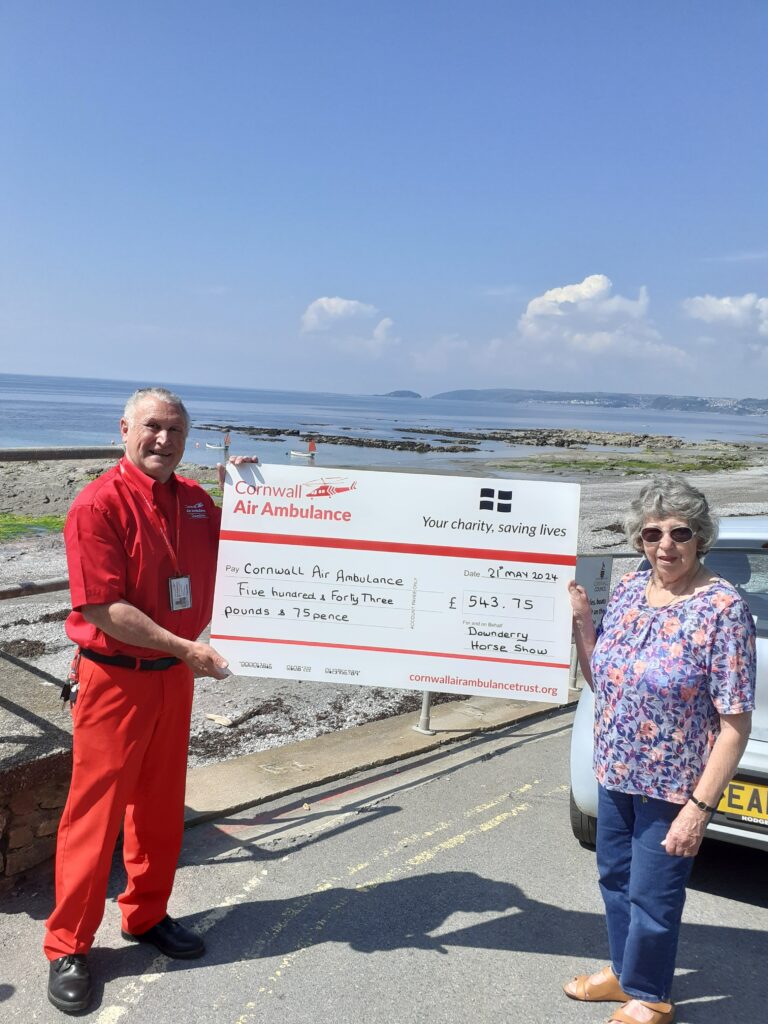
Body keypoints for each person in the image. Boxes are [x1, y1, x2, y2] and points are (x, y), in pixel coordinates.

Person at [44, 387, 255, 1014]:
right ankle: (67, 945)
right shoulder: (96, 505)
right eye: (153, 427)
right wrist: (187, 649)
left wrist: (248, 492)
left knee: (160, 807)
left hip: (175, 676)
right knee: (95, 814)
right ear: (125, 429)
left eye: (177, 431)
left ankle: (146, 915)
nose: (164, 440)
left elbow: (253, 547)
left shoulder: (194, 501)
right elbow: (102, 609)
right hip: (115, 678)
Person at [564, 474, 755, 1024]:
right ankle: (625, 975)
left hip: (675, 783)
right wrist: (582, 625)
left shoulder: (722, 609)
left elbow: (734, 725)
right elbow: (602, 678)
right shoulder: (627, 588)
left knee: (654, 893)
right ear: (639, 539)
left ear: (702, 537)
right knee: (614, 879)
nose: (664, 545)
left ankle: (650, 995)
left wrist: (699, 808)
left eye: (680, 532)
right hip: (616, 767)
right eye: (652, 533)